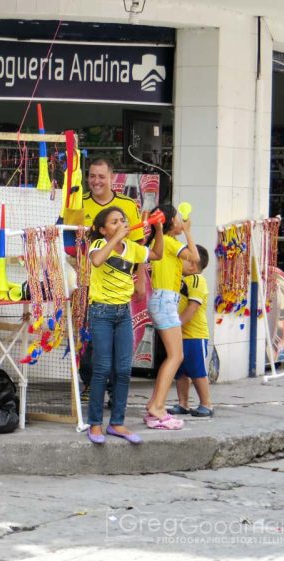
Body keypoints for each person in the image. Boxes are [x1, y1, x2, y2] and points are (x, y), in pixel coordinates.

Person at [85, 206, 163, 445]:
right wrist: (116, 238)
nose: (120, 224)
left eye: (123, 221)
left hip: (123, 314)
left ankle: (117, 422)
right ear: (102, 230)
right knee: (102, 368)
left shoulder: (133, 249)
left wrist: (158, 229)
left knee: (123, 370)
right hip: (101, 313)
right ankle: (95, 424)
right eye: (113, 222)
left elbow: (157, 255)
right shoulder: (98, 246)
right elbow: (97, 261)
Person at [80, 159, 146, 401]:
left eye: (101, 176)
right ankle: (90, 383)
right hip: (87, 281)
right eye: (92, 176)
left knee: (120, 345)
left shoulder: (127, 205)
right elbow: (70, 240)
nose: (96, 181)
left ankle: (113, 394)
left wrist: (140, 280)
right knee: (90, 338)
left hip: (120, 285)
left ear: (111, 177)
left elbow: (138, 245)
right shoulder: (79, 202)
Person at [144, 204, 200, 430]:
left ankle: (154, 405)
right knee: (176, 356)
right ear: (170, 222)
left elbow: (189, 268)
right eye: (178, 218)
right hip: (165, 302)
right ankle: (158, 406)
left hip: (164, 300)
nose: (181, 220)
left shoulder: (165, 244)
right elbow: (194, 256)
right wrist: (187, 231)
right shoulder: (169, 242)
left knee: (173, 356)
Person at [168, 245, 213, 417]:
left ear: (192, 264)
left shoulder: (196, 280)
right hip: (181, 335)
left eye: (183, 257)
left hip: (195, 335)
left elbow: (193, 307)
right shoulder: (182, 280)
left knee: (197, 370)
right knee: (181, 371)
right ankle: (183, 403)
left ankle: (206, 404)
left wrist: (176, 326)